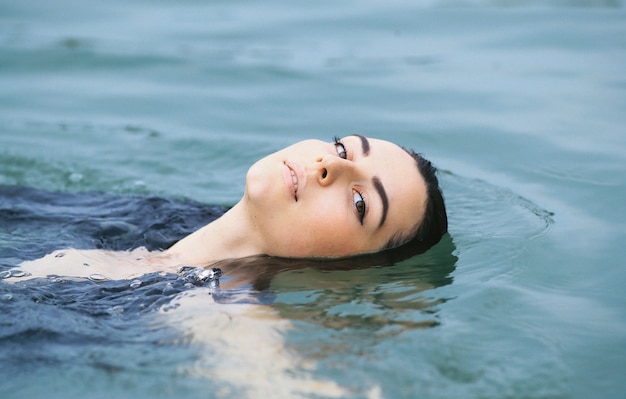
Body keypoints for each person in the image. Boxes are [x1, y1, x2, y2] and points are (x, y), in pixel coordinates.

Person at [13, 134, 447, 281]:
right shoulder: (149, 215)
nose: (327, 165)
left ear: (353, 270)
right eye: (343, 148)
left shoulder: (221, 308)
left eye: (359, 203)